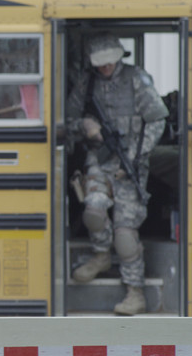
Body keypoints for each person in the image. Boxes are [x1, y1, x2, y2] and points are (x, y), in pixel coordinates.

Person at [65, 33, 168, 315]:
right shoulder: (87, 84)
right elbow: (64, 120)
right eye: (99, 64)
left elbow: (158, 121)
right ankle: (100, 256)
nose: (104, 69)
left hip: (130, 164)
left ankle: (135, 293)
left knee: (125, 233)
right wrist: (85, 125)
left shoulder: (136, 79)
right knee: (94, 212)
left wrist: (134, 157)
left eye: (108, 63)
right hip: (98, 161)